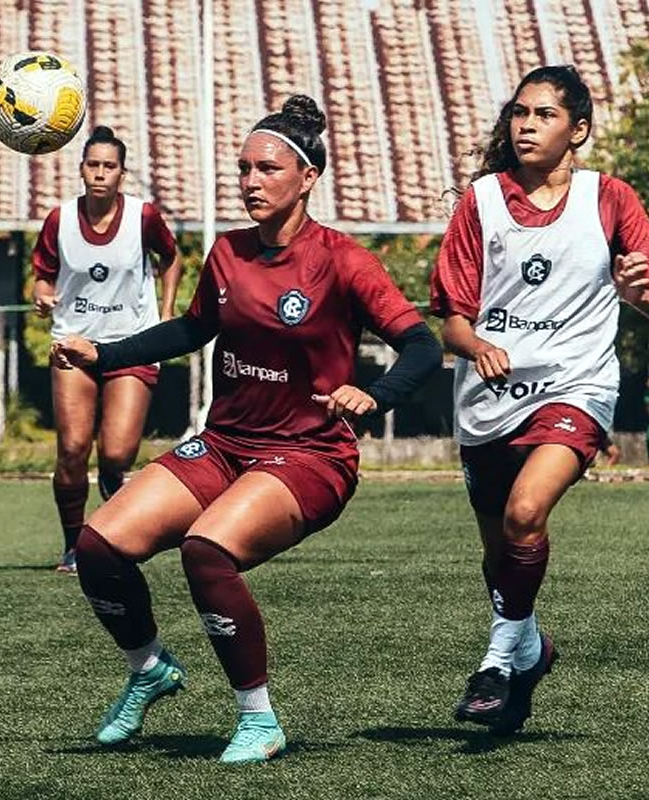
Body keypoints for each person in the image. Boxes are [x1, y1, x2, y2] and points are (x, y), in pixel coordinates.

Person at [50, 96, 441, 762]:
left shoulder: (344, 260)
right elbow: (193, 328)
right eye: (243, 170)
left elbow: (424, 347)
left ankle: (259, 720)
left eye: (266, 169)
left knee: (207, 551)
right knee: (96, 545)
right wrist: (105, 353)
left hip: (309, 456)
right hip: (226, 445)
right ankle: (149, 669)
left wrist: (372, 394)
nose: (250, 182)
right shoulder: (229, 253)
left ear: (307, 176)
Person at [430, 65, 649, 733]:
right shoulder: (480, 202)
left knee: (525, 510)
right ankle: (530, 649)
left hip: (577, 386)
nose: (526, 125)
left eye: (543, 114)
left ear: (579, 131)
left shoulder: (610, 199)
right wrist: (475, 344)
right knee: (500, 552)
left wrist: (637, 293)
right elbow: (452, 316)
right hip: (488, 398)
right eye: (519, 112)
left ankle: (493, 662)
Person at [32, 125, 182, 574]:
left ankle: (115, 517)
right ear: (81, 169)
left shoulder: (143, 216)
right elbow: (44, 273)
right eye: (93, 165)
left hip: (131, 344)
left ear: (122, 172)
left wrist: (167, 311)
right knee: (74, 449)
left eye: (109, 166)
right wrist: (42, 295)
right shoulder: (59, 219)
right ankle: (76, 545)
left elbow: (170, 257)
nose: (100, 173)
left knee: (116, 454)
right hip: (74, 345)